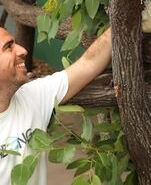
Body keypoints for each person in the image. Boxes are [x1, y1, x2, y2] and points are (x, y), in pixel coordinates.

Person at [0, 27, 112, 185]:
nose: (23, 50)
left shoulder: (32, 96)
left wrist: (122, 22)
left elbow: (88, 63)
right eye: (8, 47)